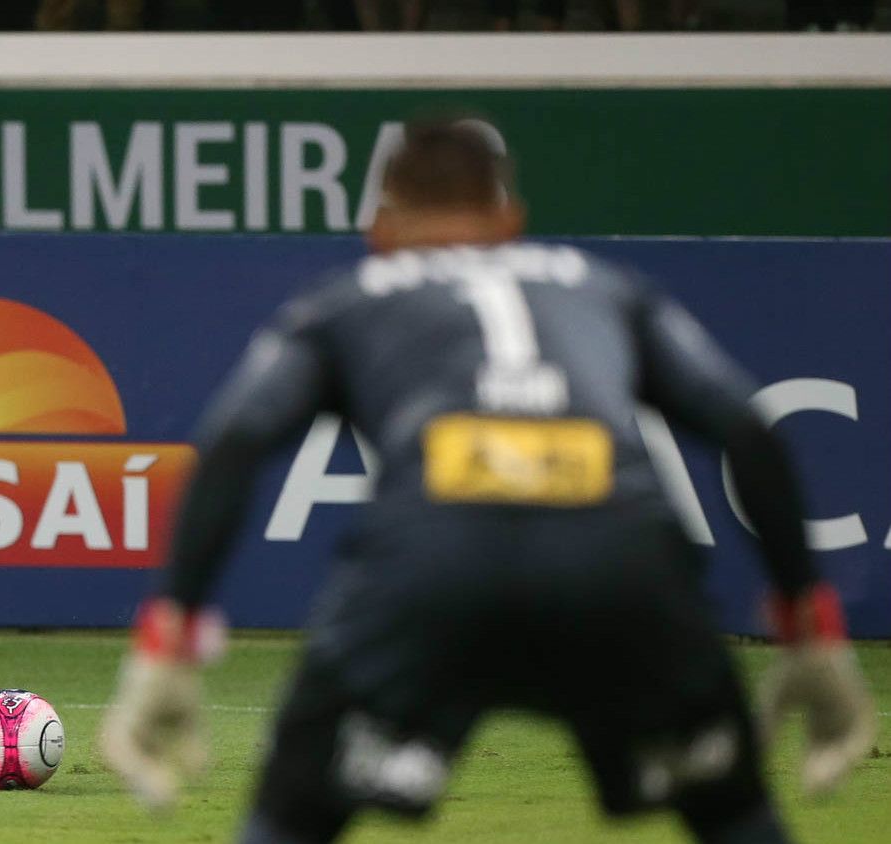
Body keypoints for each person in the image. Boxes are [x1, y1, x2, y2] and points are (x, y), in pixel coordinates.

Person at [100, 119, 875, 842]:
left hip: (429, 572)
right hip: (622, 570)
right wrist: (811, 627)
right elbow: (745, 426)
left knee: (289, 817)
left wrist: (168, 640)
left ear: (379, 232)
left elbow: (235, 438)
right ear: (511, 220)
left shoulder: (343, 304)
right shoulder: (601, 286)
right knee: (735, 814)